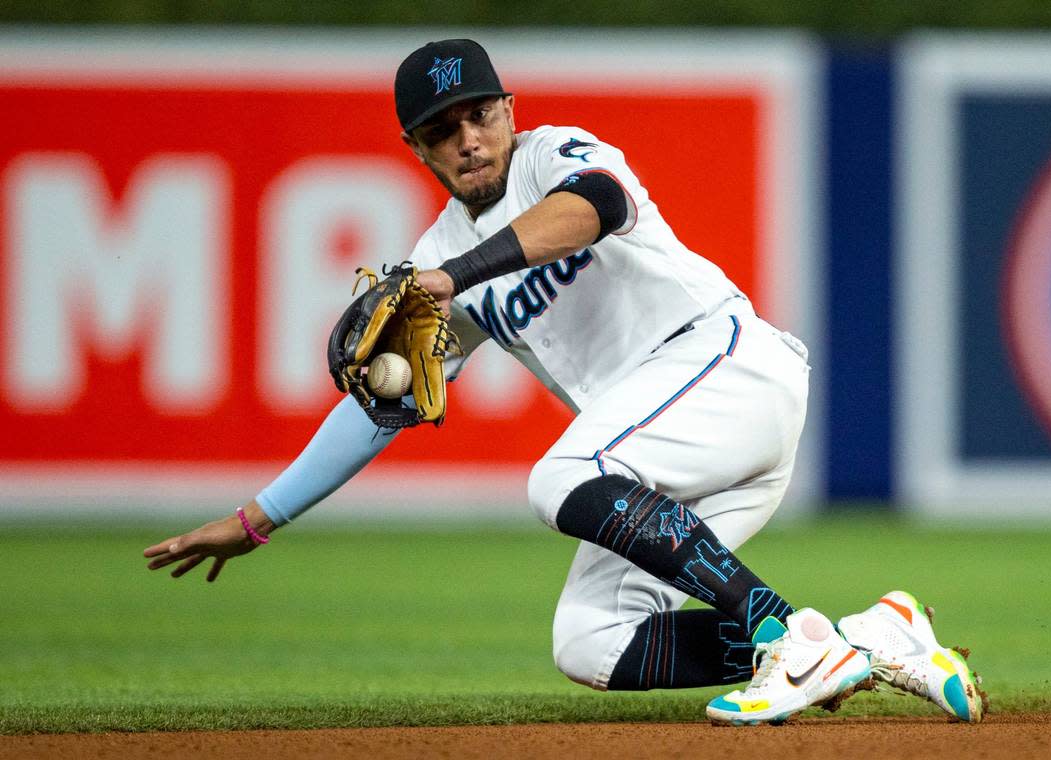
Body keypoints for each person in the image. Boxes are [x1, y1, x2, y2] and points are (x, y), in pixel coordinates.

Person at [144, 39, 985, 725]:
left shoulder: (555, 156)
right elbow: (381, 409)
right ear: (418, 149)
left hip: (729, 365)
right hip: (665, 464)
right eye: (444, 128)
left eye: (479, 112)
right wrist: (257, 520)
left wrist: (459, 276)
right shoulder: (434, 261)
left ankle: (789, 639)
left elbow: (600, 205)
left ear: (509, 109)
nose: (468, 137)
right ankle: (871, 638)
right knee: (591, 642)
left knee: (561, 477)